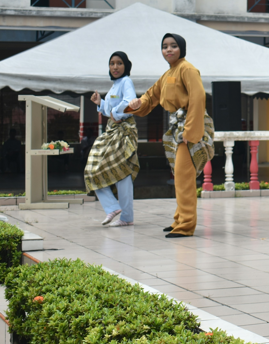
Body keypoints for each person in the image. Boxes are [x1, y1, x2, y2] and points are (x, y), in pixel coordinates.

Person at [128, 34, 215, 239]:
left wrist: (190, 131)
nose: (168, 50)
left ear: (181, 49)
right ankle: (179, 219)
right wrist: (137, 103)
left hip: (189, 126)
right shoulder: (168, 73)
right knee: (180, 176)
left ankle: (186, 225)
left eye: (173, 46)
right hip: (179, 127)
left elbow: (198, 97)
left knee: (184, 177)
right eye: (165, 46)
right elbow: (151, 95)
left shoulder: (188, 69)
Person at [84, 52, 139, 227]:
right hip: (112, 131)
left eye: (119, 63)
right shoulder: (115, 85)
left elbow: (130, 101)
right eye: (112, 63)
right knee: (94, 169)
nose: (115, 67)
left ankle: (125, 217)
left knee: (122, 173)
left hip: (124, 131)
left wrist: (116, 113)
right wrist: (100, 102)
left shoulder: (126, 82)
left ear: (126, 66)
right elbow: (109, 110)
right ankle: (114, 208)